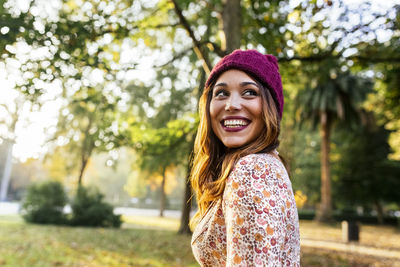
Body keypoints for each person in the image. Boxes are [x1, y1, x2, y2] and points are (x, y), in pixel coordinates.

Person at [190, 49, 300, 266]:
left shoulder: (253, 170)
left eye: (249, 92)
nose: (231, 104)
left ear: (270, 107)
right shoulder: (267, 165)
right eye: (221, 93)